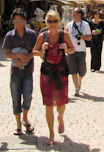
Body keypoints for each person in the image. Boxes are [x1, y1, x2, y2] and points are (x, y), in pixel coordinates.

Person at [33, 10, 75, 146]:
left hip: (61, 73)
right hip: (47, 74)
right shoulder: (42, 36)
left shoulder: (64, 35)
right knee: (49, 104)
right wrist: (41, 51)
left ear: (59, 21)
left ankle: (61, 118)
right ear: (46, 22)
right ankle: (51, 133)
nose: (52, 24)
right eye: (50, 21)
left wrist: (67, 49)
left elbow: (72, 49)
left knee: (61, 104)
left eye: (54, 21)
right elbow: (34, 51)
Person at [3, 8, 37, 136]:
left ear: (24, 20)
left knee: (27, 97)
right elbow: (7, 54)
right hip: (15, 73)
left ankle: (25, 118)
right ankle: (18, 125)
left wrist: (25, 58)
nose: (18, 23)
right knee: (16, 99)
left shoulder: (32, 35)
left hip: (28, 72)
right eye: (15, 20)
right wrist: (18, 56)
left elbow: (35, 50)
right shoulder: (9, 36)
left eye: (20, 20)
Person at [65, 8, 92, 96]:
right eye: (73, 11)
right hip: (71, 50)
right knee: (73, 71)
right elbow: (65, 36)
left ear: (80, 14)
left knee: (82, 71)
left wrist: (83, 37)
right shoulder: (69, 25)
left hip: (81, 50)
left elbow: (90, 36)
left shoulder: (85, 24)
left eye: (75, 12)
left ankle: (80, 80)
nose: (73, 13)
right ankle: (76, 88)